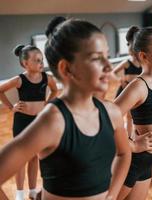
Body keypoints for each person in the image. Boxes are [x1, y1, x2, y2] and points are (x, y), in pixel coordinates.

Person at [0, 17, 131, 200]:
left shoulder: (112, 112)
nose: (109, 66)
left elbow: (124, 154)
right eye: (96, 58)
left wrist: (112, 195)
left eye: (107, 56)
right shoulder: (52, 122)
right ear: (66, 69)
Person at [114, 26, 152, 200]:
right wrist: (131, 145)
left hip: (147, 162)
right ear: (144, 56)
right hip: (135, 161)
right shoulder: (139, 86)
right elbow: (106, 120)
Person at [0, 44, 58, 200]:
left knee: (34, 157)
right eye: (37, 60)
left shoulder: (47, 78)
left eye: (42, 60)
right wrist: (11, 107)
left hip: (38, 122)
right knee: (21, 157)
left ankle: (32, 190)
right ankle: (19, 193)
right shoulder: (20, 80)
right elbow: (0, 90)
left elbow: (55, 90)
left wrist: (48, 103)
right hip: (22, 122)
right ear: (25, 64)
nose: (41, 63)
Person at [112, 26, 143, 136]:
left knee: (132, 116)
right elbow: (112, 73)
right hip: (125, 90)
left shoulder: (143, 64)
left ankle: (130, 137)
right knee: (120, 114)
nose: (129, 47)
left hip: (137, 93)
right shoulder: (126, 62)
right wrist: (121, 80)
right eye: (128, 44)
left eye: (130, 44)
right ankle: (122, 136)